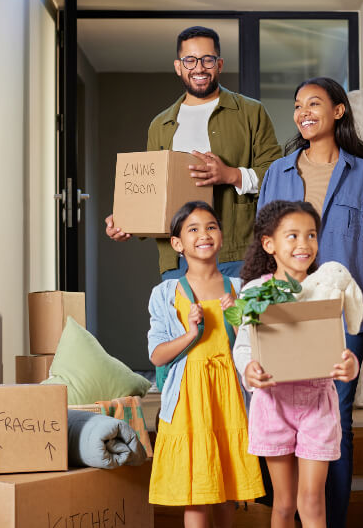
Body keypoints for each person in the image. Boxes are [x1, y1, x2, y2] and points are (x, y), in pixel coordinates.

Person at [257, 77, 363, 527]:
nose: (302, 112)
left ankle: (327, 521)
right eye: (297, 106)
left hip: (342, 311)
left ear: (338, 111)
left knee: (334, 418)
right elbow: (264, 249)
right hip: (285, 310)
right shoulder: (277, 172)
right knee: (281, 415)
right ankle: (288, 513)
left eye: (313, 103)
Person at [105, 26, 282, 280]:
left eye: (207, 59)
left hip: (236, 256)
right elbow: (152, 194)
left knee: (240, 321)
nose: (199, 68)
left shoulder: (251, 112)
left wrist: (231, 175)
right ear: (178, 66)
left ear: (219, 64)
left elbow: (276, 176)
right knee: (184, 322)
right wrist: (126, 222)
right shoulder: (160, 125)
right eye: (190, 60)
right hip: (178, 261)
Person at [232, 200, 360, 528]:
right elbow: (244, 346)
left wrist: (351, 365)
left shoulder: (326, 289)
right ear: (269, 244)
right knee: (284, 503)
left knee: (312, 500)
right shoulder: (254, 292)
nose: (304, 244)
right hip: (272, 404)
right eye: (292, 236)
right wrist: (249, 369)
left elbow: (339, 348)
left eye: (311, 235)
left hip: (317, 403)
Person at [147, 201, 264, 528]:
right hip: (188, 400)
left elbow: (257, 349)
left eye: (211, 226)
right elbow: (156, 355)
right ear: (177, 244)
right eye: (193, 229)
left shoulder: (240, 288)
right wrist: (190, 333)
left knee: (228, 487)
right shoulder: (166, 293)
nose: (204, 234)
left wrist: (237, 317)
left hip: (228, 395)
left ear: (222, 237)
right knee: (196, 489)